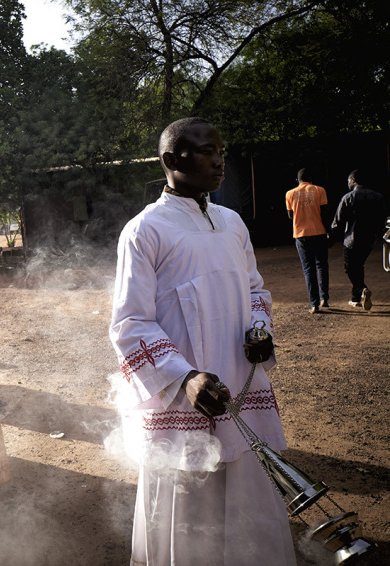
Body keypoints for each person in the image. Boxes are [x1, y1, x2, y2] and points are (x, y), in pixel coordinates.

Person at [109, 118, 296, 565]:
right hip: (185, 398)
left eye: (221, 151)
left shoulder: (232, 223)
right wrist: (184, 378)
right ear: (171, 160)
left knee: (248, 494)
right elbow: (130, 322)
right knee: (188, 511)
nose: (219, 161)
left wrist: (258, 330)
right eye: (206, 151)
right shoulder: (145, 230)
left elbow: (255, 290)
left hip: (240, 383)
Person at [331, 170, 387, 311]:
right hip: (369, 240)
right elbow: (382, 220)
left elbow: (338, 221)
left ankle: (362, 289)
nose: (348, 184)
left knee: (350, 268)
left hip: (351, 240)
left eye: (348, 181)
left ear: (353, 180)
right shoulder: (378, 197)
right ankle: (356, 298)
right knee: (358, 266)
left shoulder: (348, 197)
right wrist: (378, 234)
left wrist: (331, 236)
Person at [285, 169, 330, 313]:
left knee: (308, 269)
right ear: (310, 179)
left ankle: (314, 304)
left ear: (297, 180)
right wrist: (329, 232)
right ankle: (325, 299)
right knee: (322, 265)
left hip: (301, 234)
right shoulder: (320, 190)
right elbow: (325, 213)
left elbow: (290, 216)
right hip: (319, 232)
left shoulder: (290, 194)